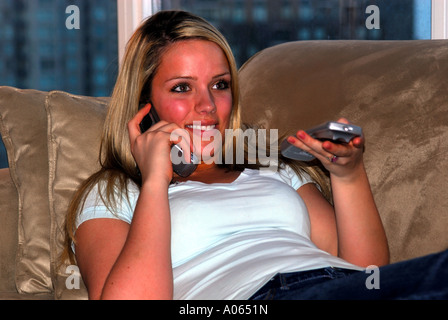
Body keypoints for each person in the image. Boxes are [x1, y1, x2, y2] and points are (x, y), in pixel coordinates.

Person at [63, 10, 447, 300]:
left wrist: (347, 175)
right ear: (145, 105)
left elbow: (369, 272)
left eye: (220, 84)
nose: (208, 105)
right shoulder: (114, 192)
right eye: (182, 88)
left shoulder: (270, 165)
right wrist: (155, 181)